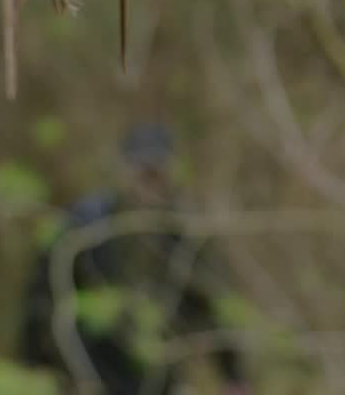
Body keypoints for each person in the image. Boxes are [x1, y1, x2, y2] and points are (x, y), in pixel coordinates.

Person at [18, 123, 250, 395]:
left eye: (157, 173)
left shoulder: (181, 233)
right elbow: (42, 300)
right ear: (124, 171)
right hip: (91, 373)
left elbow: (212, 304)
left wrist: (234, 377)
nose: (150, 183)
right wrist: (34, 369)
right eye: (143, 173)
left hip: (159, 374)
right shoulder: (86, 224)